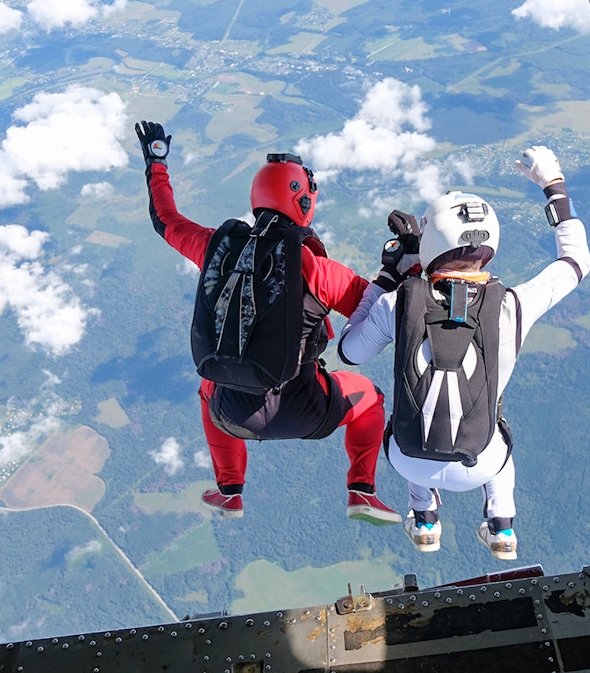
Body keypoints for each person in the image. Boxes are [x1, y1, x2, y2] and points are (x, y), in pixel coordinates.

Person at [135, 120, 401, 525]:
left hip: (232, 413)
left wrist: (156, 162)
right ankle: (361, 490)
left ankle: (230, 493)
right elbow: (380, 309)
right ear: (304, 204)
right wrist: (407, 265)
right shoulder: (318, 270)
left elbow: (165, 219)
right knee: (371, 398)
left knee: (208, 389)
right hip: (307, 410)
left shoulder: (216, 249)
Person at [338, 146, 590, 559]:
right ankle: (502, 528)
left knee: (414, 416)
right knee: (498, 434)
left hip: (407, 458)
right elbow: (577, 261)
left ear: (430, 246)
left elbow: (350, 352)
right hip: (482, 463)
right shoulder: (513, 306)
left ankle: (424, 521)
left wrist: (389, 276)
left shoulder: (397, 303)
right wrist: (553, 185)